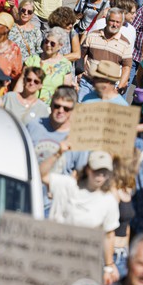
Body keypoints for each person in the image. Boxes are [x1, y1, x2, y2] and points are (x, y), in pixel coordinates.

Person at [41, 148, 120, 285]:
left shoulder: (108, 201)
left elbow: (108, 235)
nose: (100, 177)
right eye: (97, 171)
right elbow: (41, 175)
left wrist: (109, 266)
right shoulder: (67, 185)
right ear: (88, 169)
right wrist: (58, 153)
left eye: (104, 173)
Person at [25, 86, 87, 216]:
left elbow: (80, 175)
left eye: (66, 108)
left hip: (53, 206)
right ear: (51, 104)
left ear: (73, 111)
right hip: (25, 196)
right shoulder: (34, 126)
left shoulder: (77, 137)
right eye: (57, 106)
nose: (60, 111)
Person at [78, 8, 131, 99]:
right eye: (112, 21)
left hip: (107, 88)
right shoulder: (92, 35)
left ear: (122, 23)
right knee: (79, 111)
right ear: (106, 20)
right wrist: (79, 73)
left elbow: (127, 67)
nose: (115, 25)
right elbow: (81, 55)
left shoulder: (125, 44)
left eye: (118, 22)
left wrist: (119, 87)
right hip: (86, 82)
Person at [23, 28, 74, 104]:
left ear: (60, 46)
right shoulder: (33, 59)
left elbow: (65, 92)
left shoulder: (65, 65)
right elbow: (21, 82)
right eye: (46, 41)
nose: (48, 45)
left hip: (50, 107)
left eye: (52, 43)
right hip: (28, 103)